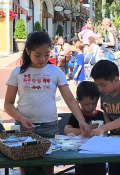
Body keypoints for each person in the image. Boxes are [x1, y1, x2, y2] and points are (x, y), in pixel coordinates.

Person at [4, 32, 90, 175]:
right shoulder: (17, 72)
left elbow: (69, 99)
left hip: (49, 127)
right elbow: (8, 104)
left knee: (47, 168)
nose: (43, 59)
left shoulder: (55, 71)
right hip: (25, 129)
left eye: (47, 54)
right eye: (37, 55)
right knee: (26, 167)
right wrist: (22, 119)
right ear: (27, 51)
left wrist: (81, 120)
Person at [65, 81, 109, 175]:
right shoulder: (77, 116)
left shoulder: (101, 114)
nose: (91, 107)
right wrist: (84, 130)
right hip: (81, 156)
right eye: (87, 104)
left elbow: (108, 127)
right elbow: (66, 130)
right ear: (78, 100)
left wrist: (105, 115)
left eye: (94, 103)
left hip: (98, 154)